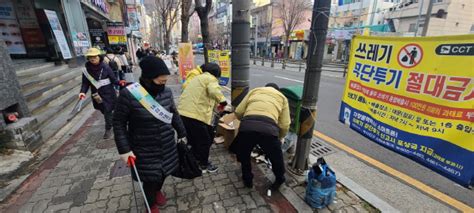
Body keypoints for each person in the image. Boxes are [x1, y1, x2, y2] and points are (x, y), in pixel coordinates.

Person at [113, 56, 187, 213]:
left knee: (163, 173)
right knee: (149, 179)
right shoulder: (129, 94)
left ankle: (157, 190)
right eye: (160, 82)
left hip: (166, 144)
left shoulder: (166, 92)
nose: (163, 85)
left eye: (164, 82)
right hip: (143, 147)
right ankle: (150, 204)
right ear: (147, 79)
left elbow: (173, 113)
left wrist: (181, 132)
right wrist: (125, 150)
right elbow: (118, 124)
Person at [231, 83, 290, 190]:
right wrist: (280, 137)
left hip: (247, 127)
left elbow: (239, 112)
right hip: (269, 130)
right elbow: (285, 124)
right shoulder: (282, 97)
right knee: (276, 157)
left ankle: (247, 180)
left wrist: (248, 122)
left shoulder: (254, 91)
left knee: (244, 155)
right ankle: (279, 179)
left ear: (265, 87)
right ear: (277, 90)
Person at [178, 63, 227, 173]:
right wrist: (223, 101)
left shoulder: (197, 78)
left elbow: (208, 97)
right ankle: (203, 165)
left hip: (183, 114)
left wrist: (217, 109)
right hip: (195, 115)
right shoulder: (210, 78)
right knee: (205, 141)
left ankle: (193, 160)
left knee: (196, 140)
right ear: (216, 75)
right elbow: (214, 91)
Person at [79, 48, 126, 139]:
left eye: (95, 57)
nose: (93, 59)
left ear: (99, 57)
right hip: (96, 94)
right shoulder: (86, 70)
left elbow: (113, 79)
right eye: (90, 57)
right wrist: (82, 92)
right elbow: (85, 83)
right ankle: (113, 122)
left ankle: (108, 128)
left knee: (108, 110)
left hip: (108, 93)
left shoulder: (105, 67)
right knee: (104, 111)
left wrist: (120, 82)